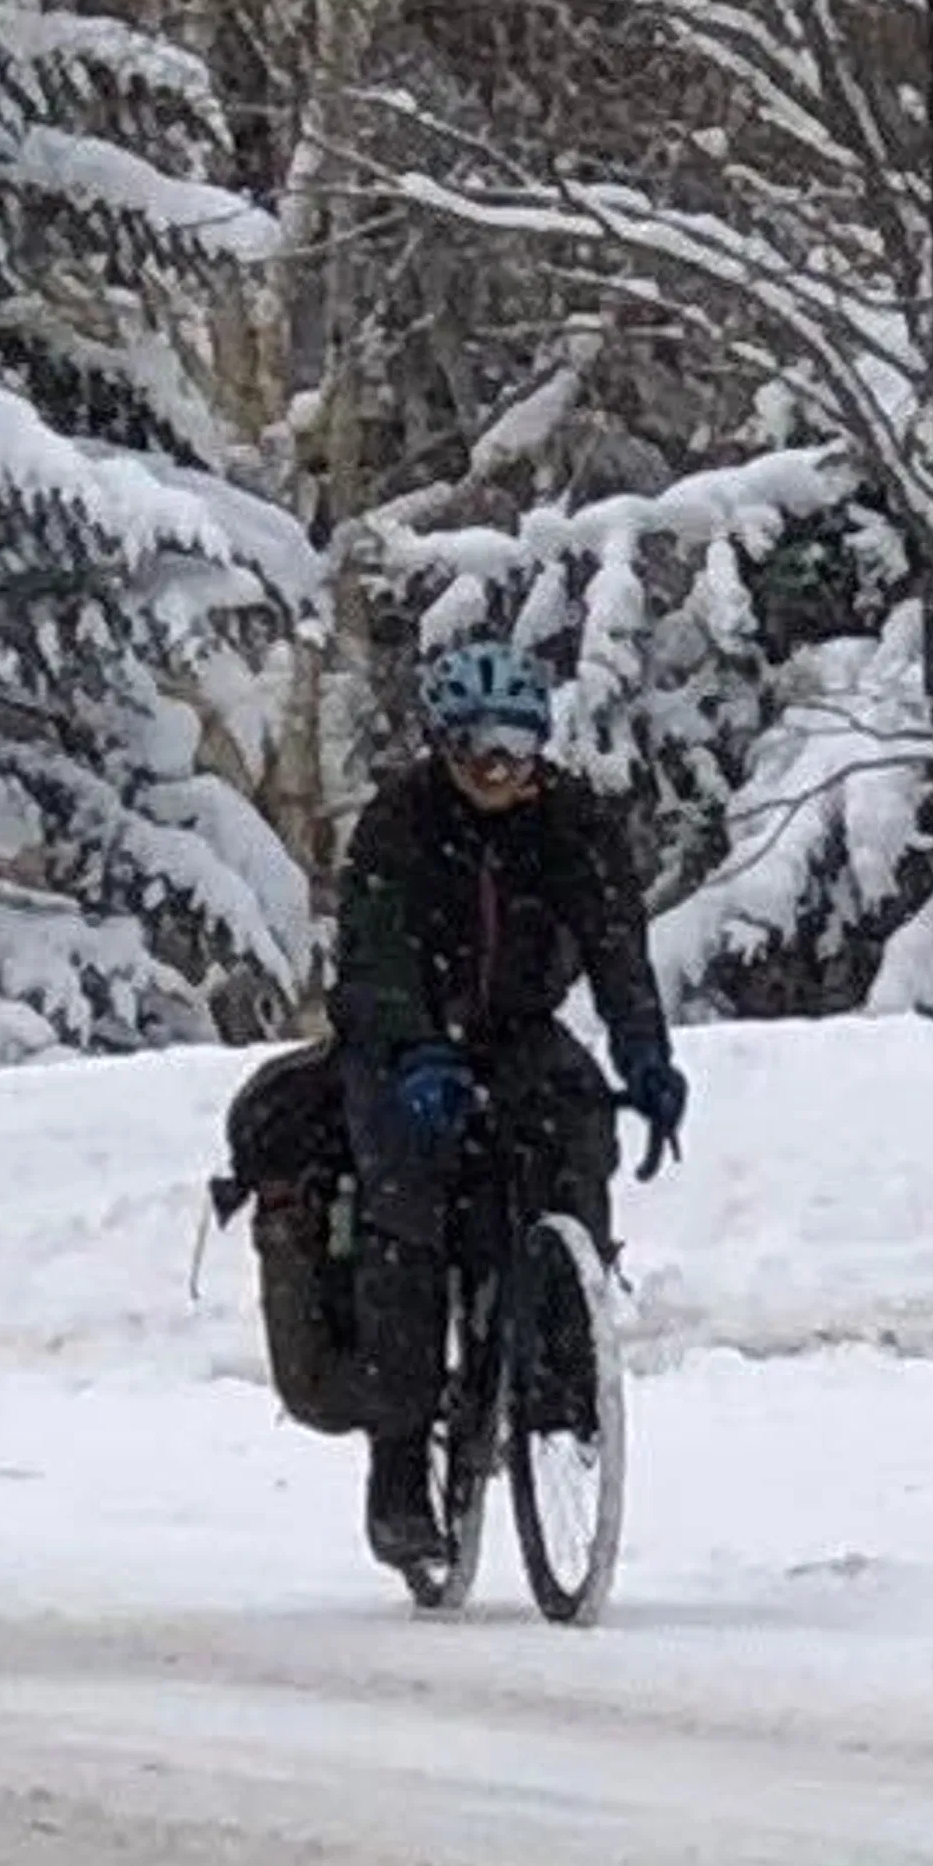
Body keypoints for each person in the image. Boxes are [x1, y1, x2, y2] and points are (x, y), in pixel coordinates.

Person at [327, 638, 688, 1572]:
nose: (499, 768)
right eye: (479, 746)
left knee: (577, 1134)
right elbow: (374, 953)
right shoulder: (400, 822)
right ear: (444, 745)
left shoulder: (574, 823)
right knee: (407, 1217)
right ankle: (399, 1467)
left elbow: (616, 946)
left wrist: (646, 1056)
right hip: (401, 1038)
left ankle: (560, 1364)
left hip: (518, 1030)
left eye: (518, 747)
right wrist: (415, 1050)